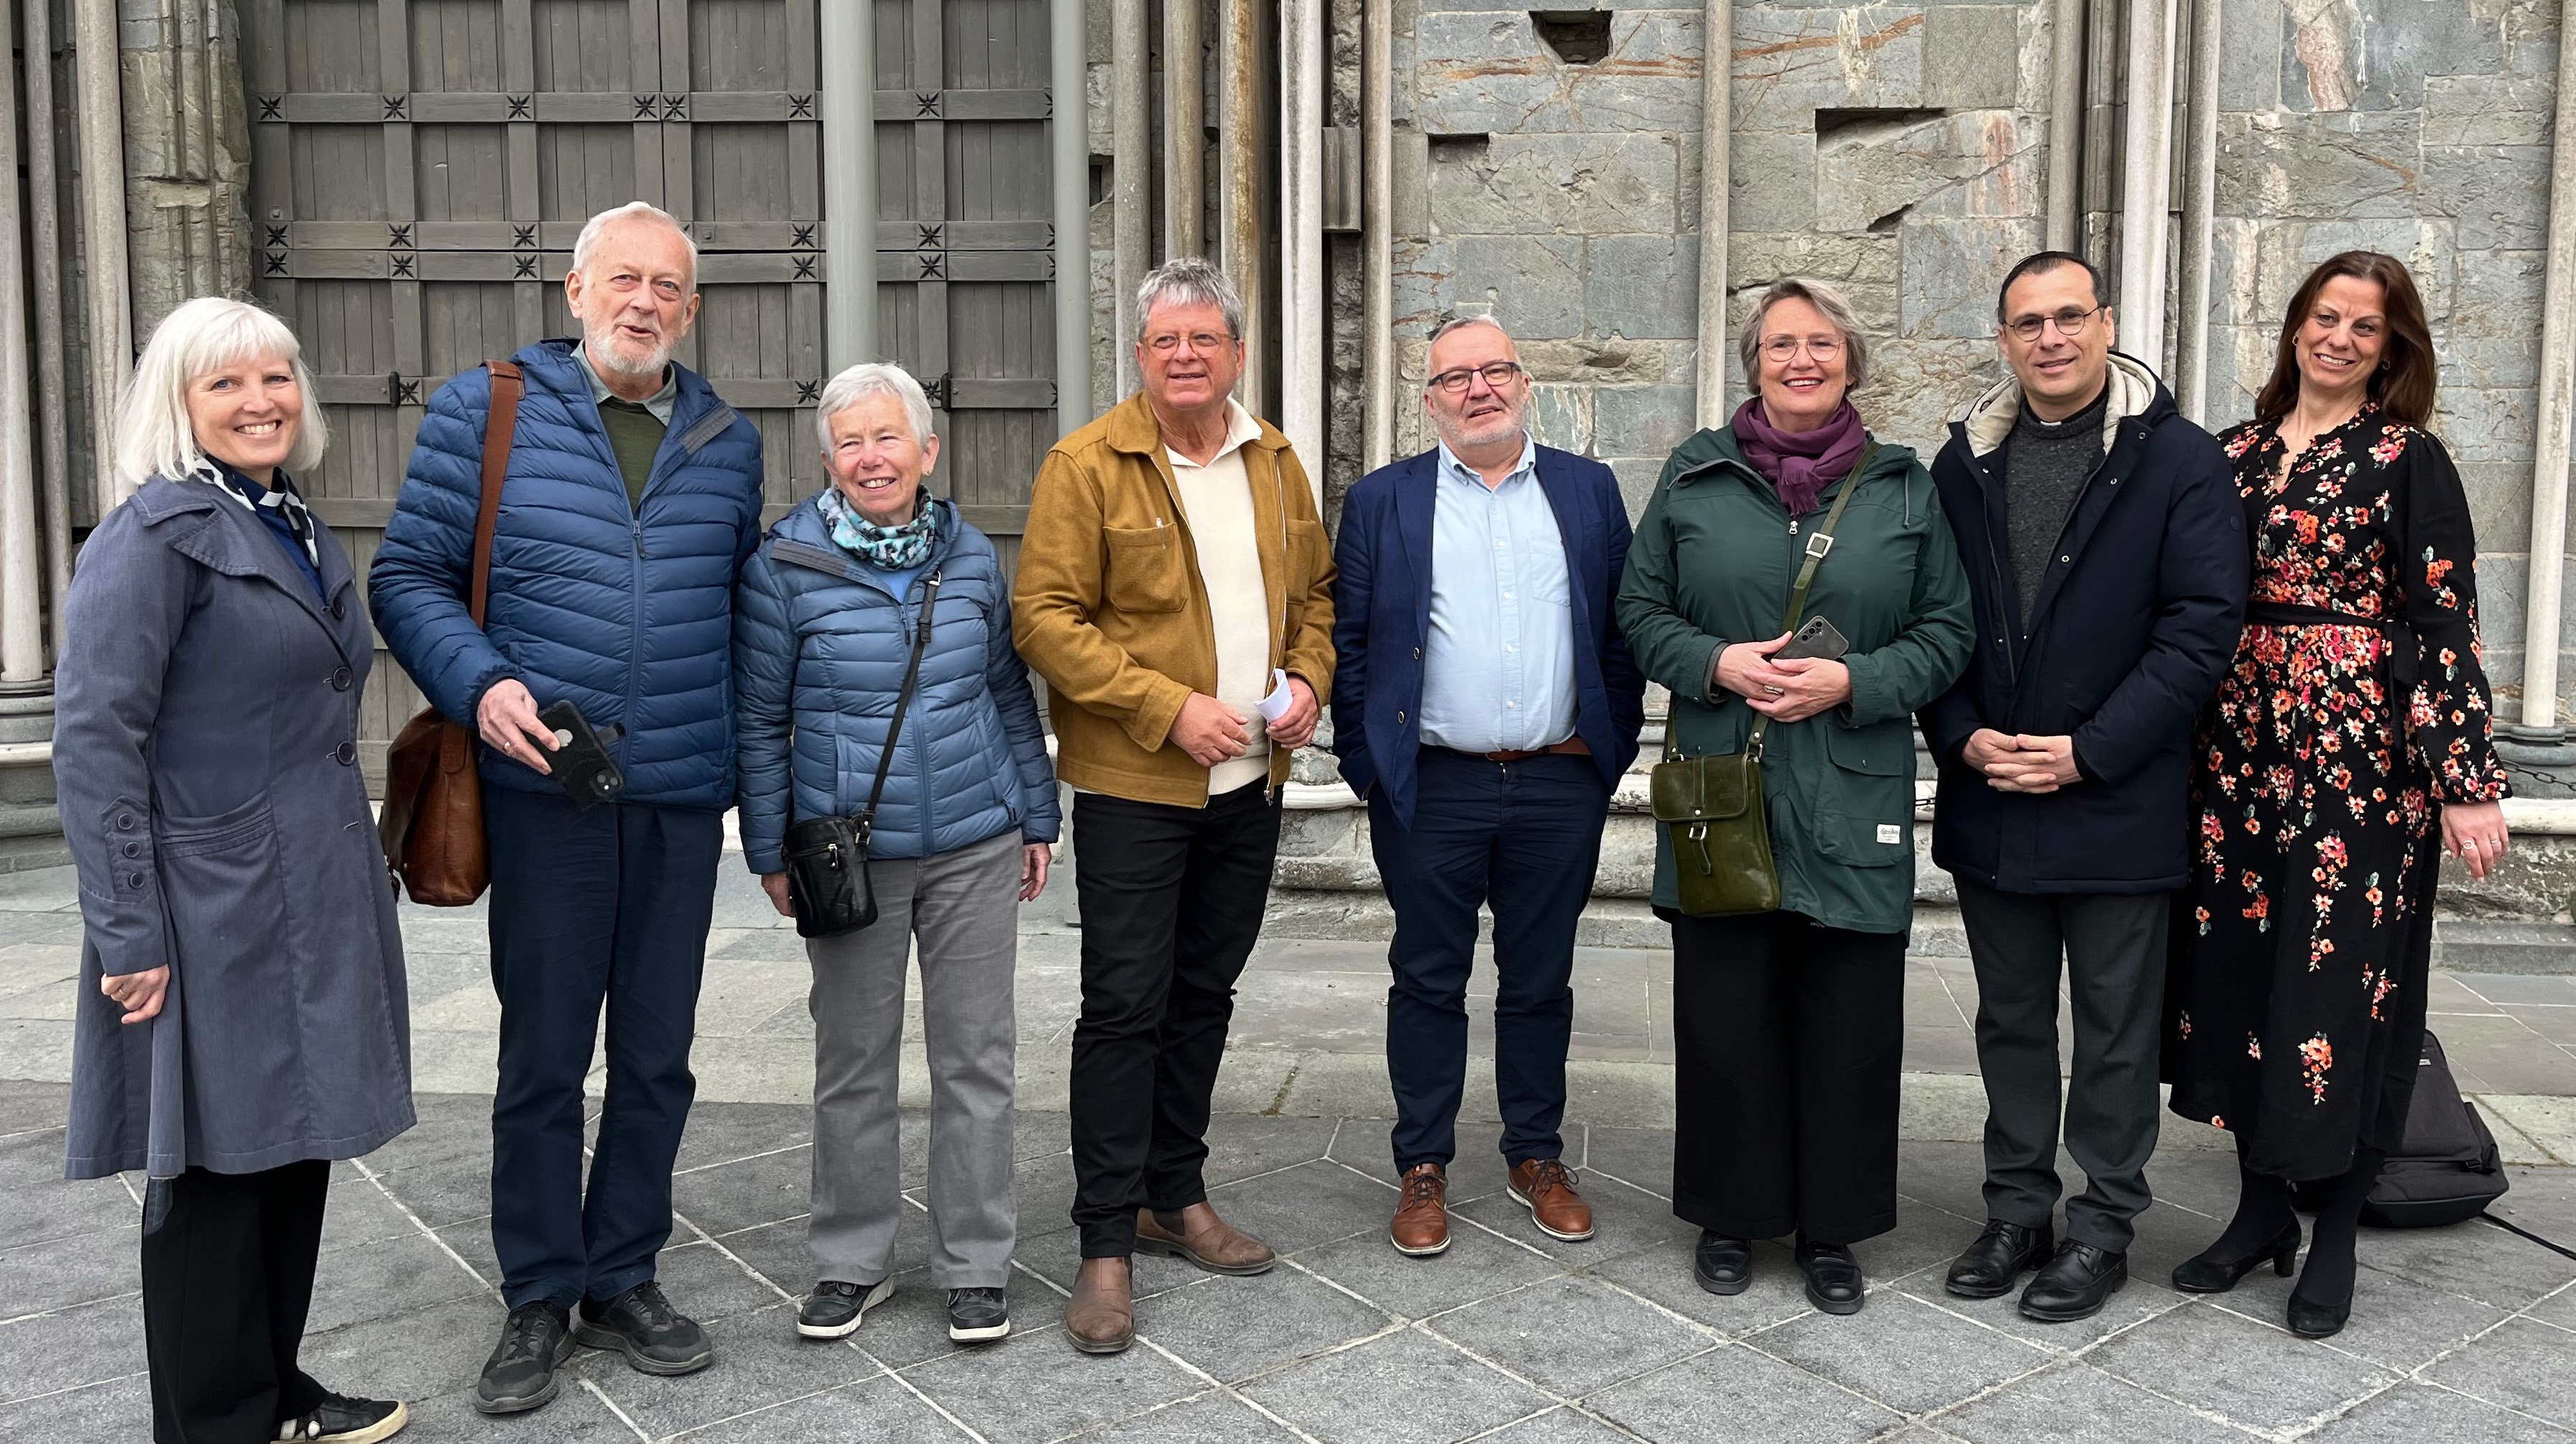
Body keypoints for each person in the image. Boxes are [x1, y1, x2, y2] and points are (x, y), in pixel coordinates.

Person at [370, 201, 766, 1412]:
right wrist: (480, 683)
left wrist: (767, 788)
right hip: (544, 785)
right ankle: (539, 1290)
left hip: (680, 797)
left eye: (669, 287)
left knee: (657, 1055)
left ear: (691, 310)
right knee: (543, 1054)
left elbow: (746, 620)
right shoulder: (484, 411)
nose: (645, 301)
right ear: (576, 290)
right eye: (624, 279)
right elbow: (406, 574)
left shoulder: (728, 440)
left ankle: (624, 1272)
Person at [56, 297, 413, 1443]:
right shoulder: (153, 537)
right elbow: (95, 740)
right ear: (180, 403)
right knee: (211, 1169)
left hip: (308, 883)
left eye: (276, 377)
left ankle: (272, 1388)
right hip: (203, 902)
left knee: (292, 1142)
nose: (260, 400)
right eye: (226, 384)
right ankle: (214, 1420)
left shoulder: (284, 519)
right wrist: (129, 931)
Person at [2165, 252, 2508, 1339]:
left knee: (2341, 989)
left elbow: (2445, 621)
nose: (2340, 338)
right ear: (2295, 325)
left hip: (2360, 768)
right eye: (2326, 316)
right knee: (2239, 977)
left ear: (2390, 344)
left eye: (2366, 326)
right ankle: (2259, 1210)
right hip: (2235, 754)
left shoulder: (2410, 459)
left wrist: (2465, 780)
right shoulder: (2230, 454)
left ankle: (2339, 1229)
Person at [1616, 279, 1974, 1315]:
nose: (1801, 359)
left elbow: (1946, 631)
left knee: (1848, 1019)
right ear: (1753, 362)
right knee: (1725, 1014)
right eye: (1780, 344)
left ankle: (1831, 1227)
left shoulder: (1905, 489)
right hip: (1722, 785)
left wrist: (1853, 680)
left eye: (1820, 343)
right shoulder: (1694, 474)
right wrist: (1714, 660)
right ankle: (1731, 1214)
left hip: (1847, 786)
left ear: (1851, 363)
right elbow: (1636, 608)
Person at [1012, 256, 1337, 1353]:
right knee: (1124, 1008)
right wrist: (1166, 707)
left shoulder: (1276, 459)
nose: (1186, 355)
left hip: (1249, 785)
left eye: (1206, 339)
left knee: (1203, 995)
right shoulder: (1085, 464)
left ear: (1237, 355)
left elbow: (1317, 598)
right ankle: (1104, 1239)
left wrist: (1306, 685)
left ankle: (1173, 1193)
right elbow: (1044, 619)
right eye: (1166, 341)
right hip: (1135, 786)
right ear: (1141, 356)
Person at [1924, 252, 2248, 1323]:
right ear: (2004, 338)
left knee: (2113, 1027)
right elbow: (1933, 624)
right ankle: (2017, 1208)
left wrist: (2086, 750)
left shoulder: (2181, 461)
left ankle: (2102, 1224)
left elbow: (2200, 631)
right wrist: (1963, 735)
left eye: (2068, 316)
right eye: (2027, 322)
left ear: (2106, 323)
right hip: (1992, 796)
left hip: (2116, 796)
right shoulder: (1960, 465)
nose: (2049, 338)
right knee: (2010, 1022)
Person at [734, 362, 1060, 1346]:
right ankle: (849, 1261)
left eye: (888, 437)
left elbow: (1007, 690)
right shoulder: (783, 566)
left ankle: (973, 1262)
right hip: (850, 855)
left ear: (927, 449)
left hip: (973, 838)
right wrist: (767, 845)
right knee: (853, 1062)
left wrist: (1036, 812)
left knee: (975, 1060)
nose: (870, 457)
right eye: (850, 441)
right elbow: (759, 717)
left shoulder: (968, 555)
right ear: (828, 458)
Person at [1329, 316, 1644, 1256]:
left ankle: (1534, 1154)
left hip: (1558, 782)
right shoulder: (1384, 499)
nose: (1478, 388)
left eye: (1495, 368)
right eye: (1454, 377)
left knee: (1538, 978)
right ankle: (1421, 1162)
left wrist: (1607, 751)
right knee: (1427, 976)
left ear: (1524, 381)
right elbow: (1350, 648)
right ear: (1428, 400)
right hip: (1432, 785)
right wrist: (1366, 766)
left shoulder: (1586, 490)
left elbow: (1621, 632)